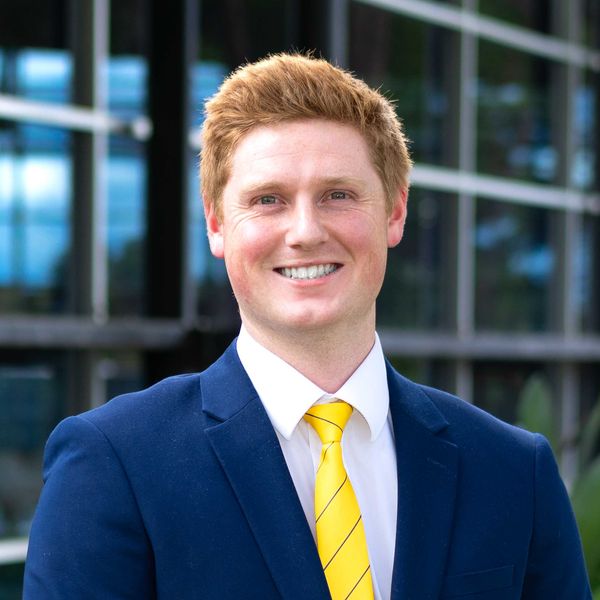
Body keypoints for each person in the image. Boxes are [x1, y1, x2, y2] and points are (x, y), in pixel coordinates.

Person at [24, 53, 591, 600]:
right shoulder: (113, 464)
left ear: (394, 212)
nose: (305, 232)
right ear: (217, 224)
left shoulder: (513, 471)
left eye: (337, 195)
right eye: (268, 200)